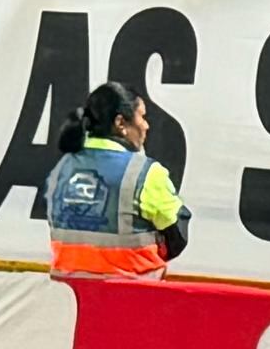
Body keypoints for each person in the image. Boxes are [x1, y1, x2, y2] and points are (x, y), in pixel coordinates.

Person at [42, 83, 188, 280]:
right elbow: (177, 236)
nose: (146, 125)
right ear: (121, 123)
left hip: (69, 297)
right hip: (132, 297)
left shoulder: (62, 168)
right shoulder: (145, 173)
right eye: (142, 117)